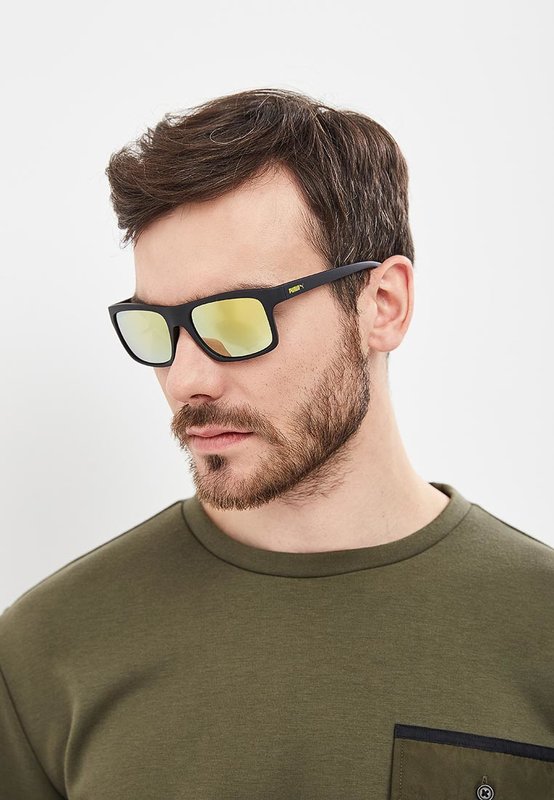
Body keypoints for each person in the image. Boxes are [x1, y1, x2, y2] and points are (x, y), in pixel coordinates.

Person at [1, 88, 553, 799]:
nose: (186, 379)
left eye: (236, 318)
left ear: (383, 305)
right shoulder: (45, 653)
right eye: (156, 327)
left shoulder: (538, 628)